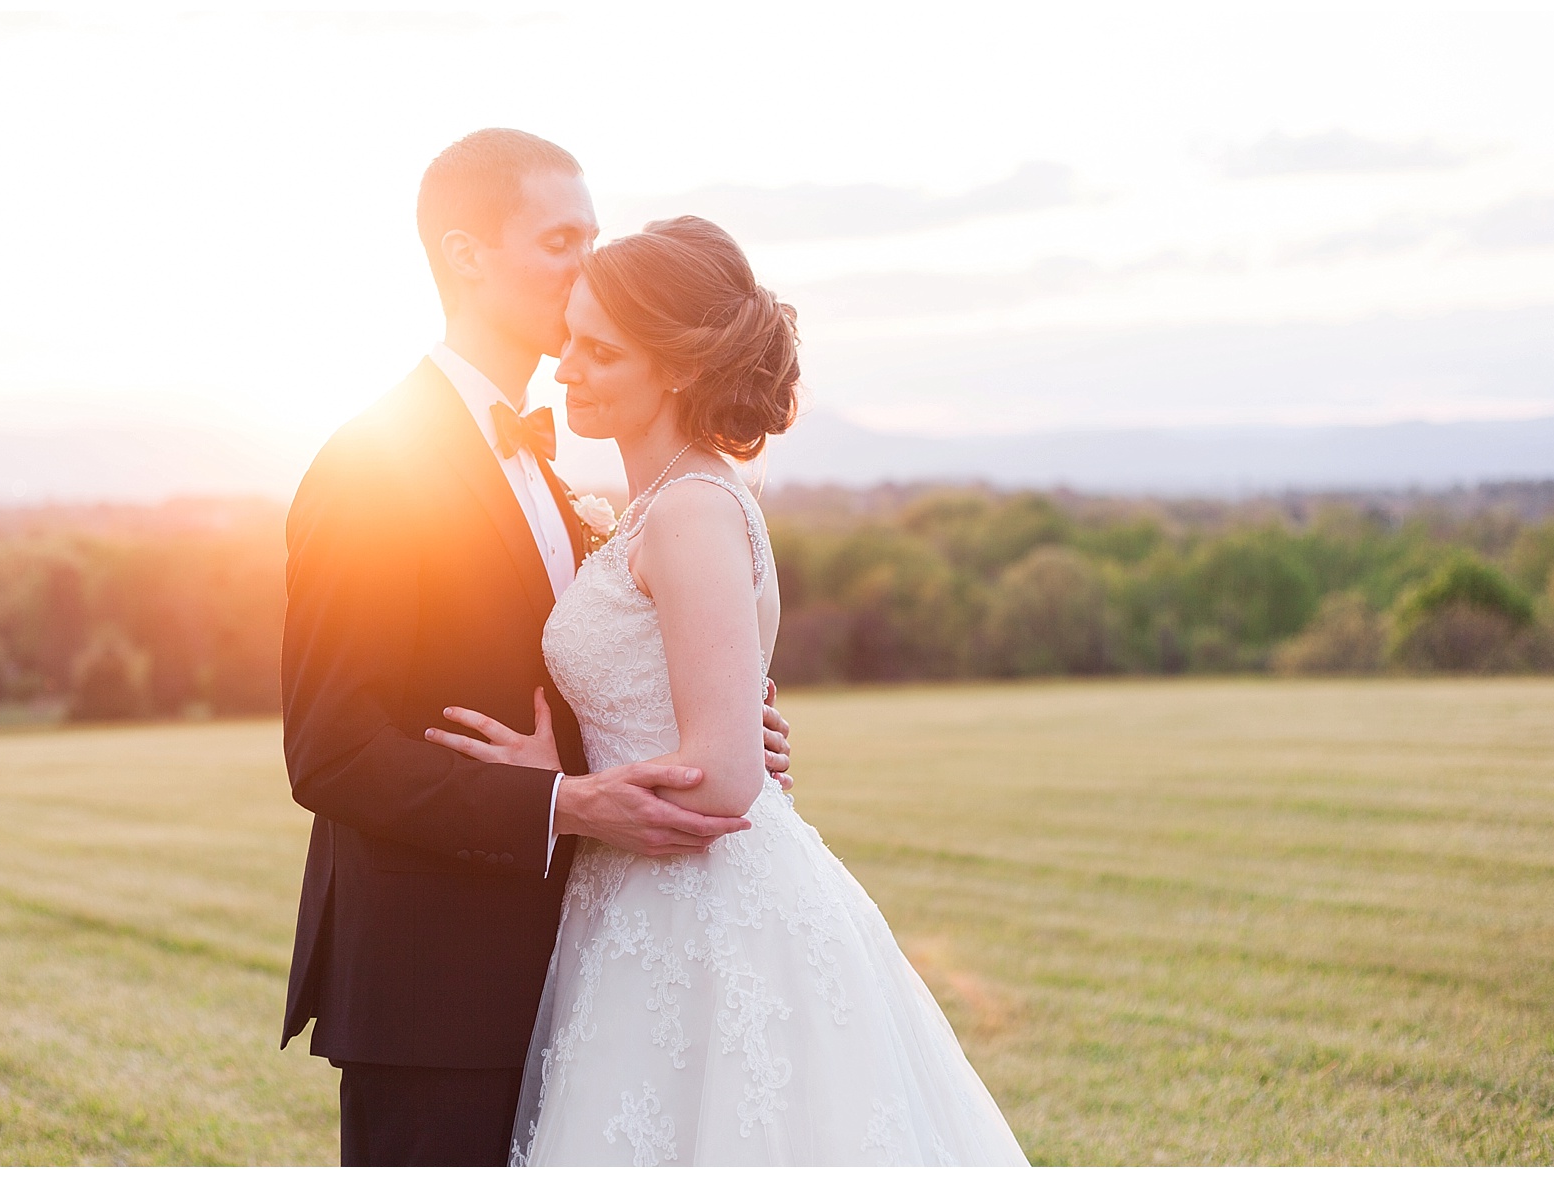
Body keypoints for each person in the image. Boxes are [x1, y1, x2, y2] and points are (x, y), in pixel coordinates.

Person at [434, 215, 1030, 1165]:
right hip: (638, 901)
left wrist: (560, 794)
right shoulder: (658, 508)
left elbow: (719, 779)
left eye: (599, 351)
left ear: (672, 366)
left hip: (704, 914)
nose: (565, 368)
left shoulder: (690, 512)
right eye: (572, 339)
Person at [278, 130, 794, 1167]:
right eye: (562, 239)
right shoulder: (373, 461)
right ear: (468, 256)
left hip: (586, 966)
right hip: (436, 991)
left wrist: (707, 725)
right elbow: (331, 747)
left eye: (593, 236)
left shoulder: (572, 479)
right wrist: (563, 801)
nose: (588, 265)